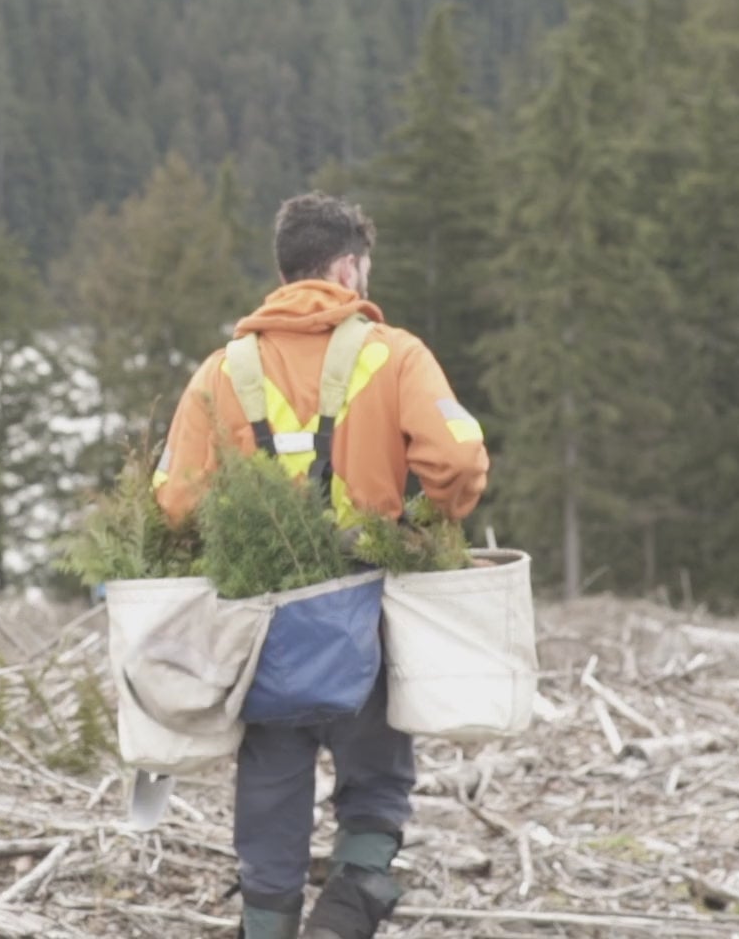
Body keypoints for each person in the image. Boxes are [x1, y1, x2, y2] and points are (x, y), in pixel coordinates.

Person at [152, 192, 491, 939]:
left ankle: (268, 927)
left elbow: (174, 502)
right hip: (364, 618)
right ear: (346, 267)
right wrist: (433, 523)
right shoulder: (393, 354)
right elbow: (459, 460)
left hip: (261, 632)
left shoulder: (220, 371)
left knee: (271, 784)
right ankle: (347, 912)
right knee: (376, 785)